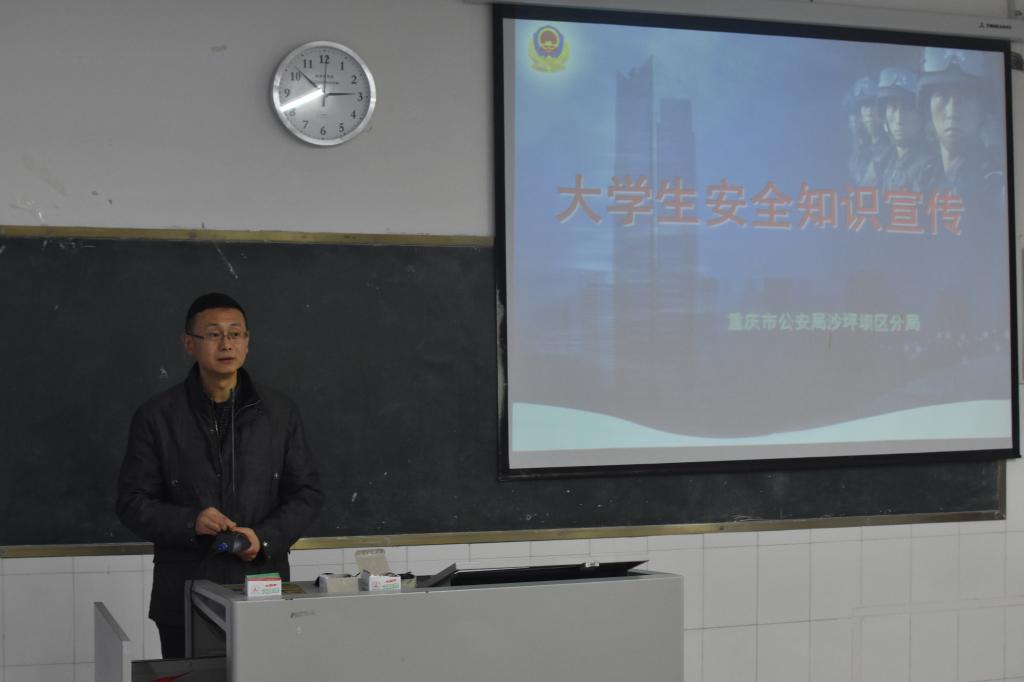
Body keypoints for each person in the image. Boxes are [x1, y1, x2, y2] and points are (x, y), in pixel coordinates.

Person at [117, 292, 324, 658]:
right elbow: (131, 502)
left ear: (247, 341)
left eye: (235, 333)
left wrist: (264, 538)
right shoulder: (157, 417)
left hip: (262, 590)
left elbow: (307, 493)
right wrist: (190, 522)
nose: (226, 344)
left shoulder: (279, 413)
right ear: (189, 344)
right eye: (213, 334)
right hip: (185, 594)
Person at [874, 66, 935, 194]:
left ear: (922, 117)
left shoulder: (931, 169)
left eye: (908, 108)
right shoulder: (883, 161)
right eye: (893, 107)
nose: (899, 118)